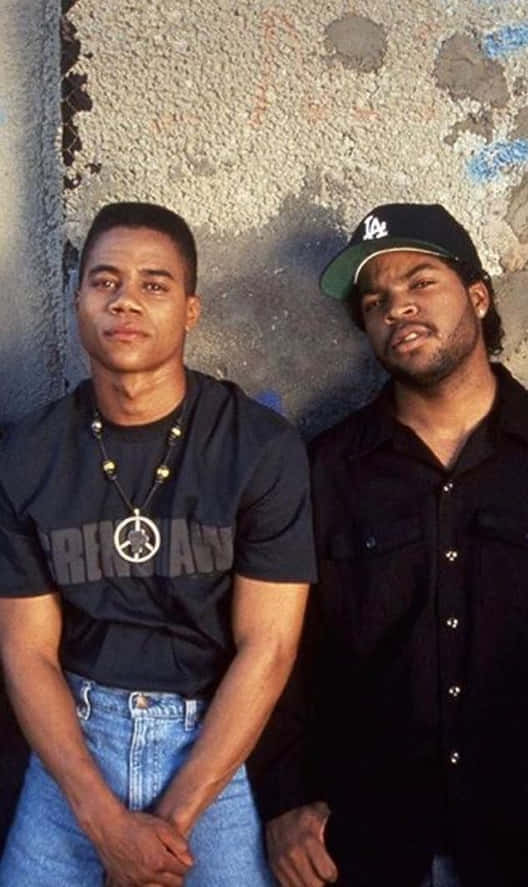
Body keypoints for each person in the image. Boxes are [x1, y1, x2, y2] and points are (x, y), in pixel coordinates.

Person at [253, 203, 528, 887]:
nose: (397, 307)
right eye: (375, 300)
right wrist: (283, 802)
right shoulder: (325, 471)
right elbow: (276, 650)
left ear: (478, 295)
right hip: (368, 848)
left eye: (421, 282)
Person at [0, 201, 316, 885]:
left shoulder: (259, 447)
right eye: (104, 281)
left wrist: (167, 829)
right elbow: (26, 651)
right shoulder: (27, 453)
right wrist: (106, 827)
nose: (125, 301)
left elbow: (269, 646)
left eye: (154, 284)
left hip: (213, 744)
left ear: (191, 310)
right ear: (77, 302)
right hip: (74, 744)